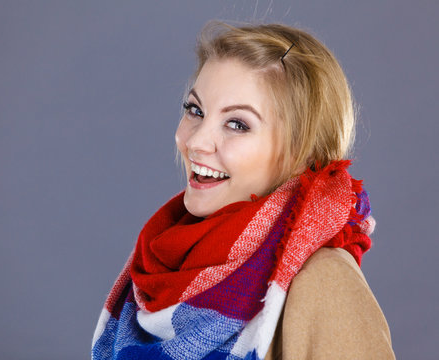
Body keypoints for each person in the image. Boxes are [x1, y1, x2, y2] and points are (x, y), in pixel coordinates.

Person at [91, 21, 395, 360]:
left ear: (302, 155)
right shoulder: (156, 271)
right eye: (196, 110)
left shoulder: (324, 282)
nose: (195, 141)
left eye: (237, 124)